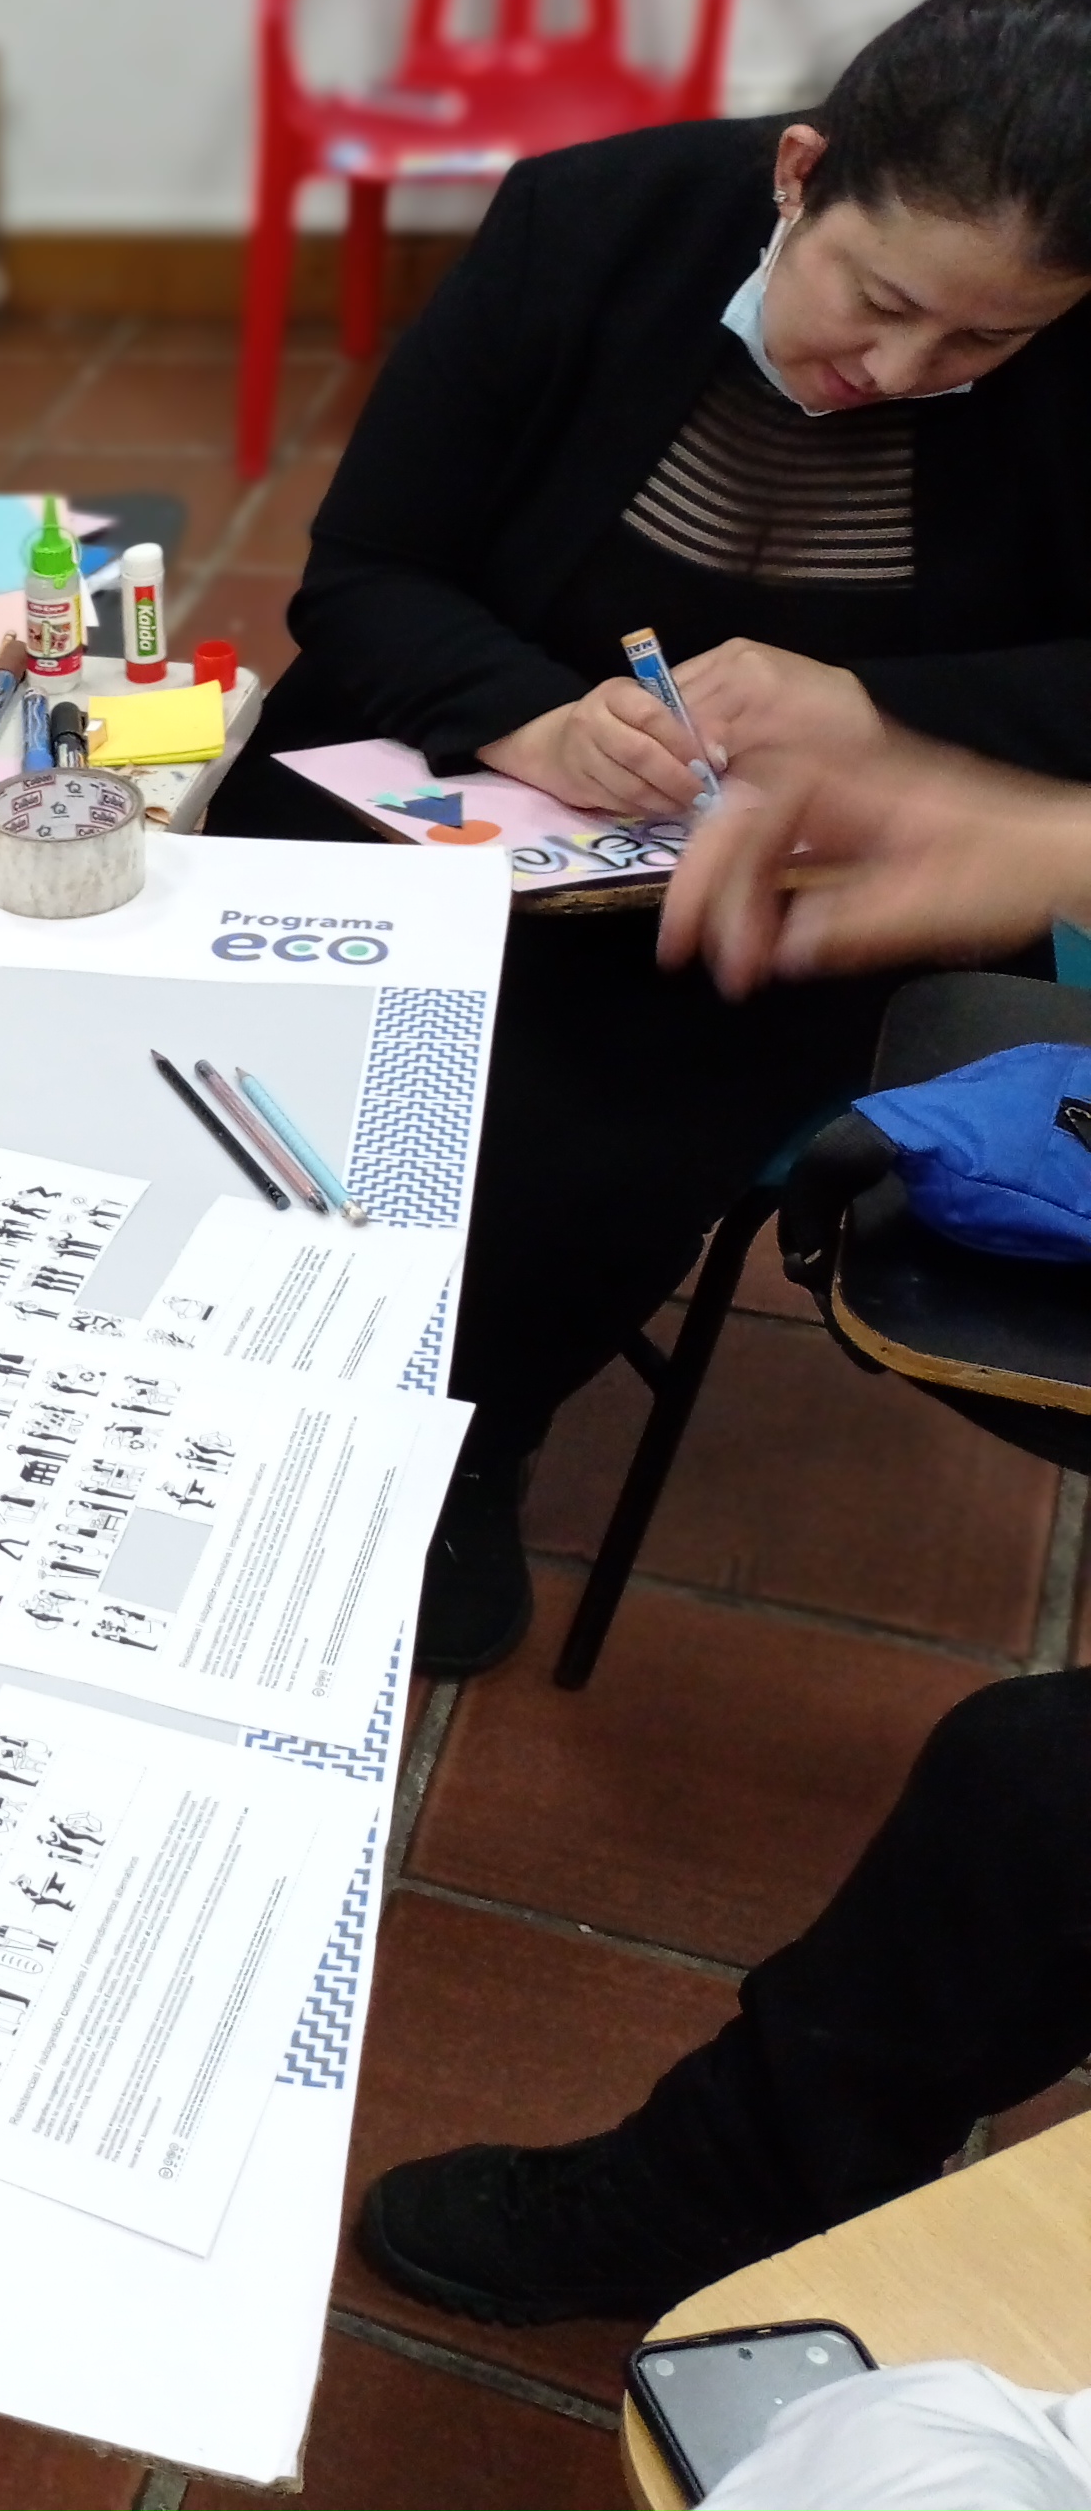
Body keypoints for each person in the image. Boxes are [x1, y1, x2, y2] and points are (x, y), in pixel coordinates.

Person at [215, 0, 1091, 1678]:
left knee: (571, 1125)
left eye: (987, 341)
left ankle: (463, 1444)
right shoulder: (591, 228)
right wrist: (532, 713)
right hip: (454, 772)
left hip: (814, 873)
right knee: (236, 1019)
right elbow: (368, 573)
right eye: (882, 297)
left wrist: (880, 712)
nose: (900, 372)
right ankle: (226, 1357)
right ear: (800, 174)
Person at [357, 735, 1091, 2325]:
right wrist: (1048, 843)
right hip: (625, 841)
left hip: (783, 919)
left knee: (1033, 1786)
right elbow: (371, 588)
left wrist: (930, 743)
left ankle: (719, 2202)